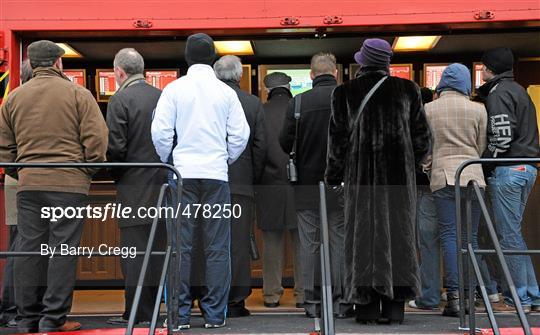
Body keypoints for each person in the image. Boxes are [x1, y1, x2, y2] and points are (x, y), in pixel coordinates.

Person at [0, 40, 108, 332]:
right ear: (59, 63)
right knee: (63, 250)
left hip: (29, 185)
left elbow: (4, 149)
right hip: (68, 185)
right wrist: (85, 172)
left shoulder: (14, 98)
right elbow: (97, 141)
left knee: (28, 249)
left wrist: (22, 170)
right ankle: (53, 318)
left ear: (33, 65)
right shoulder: (78, 93)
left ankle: (26, 318)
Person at [325, 39, 431, 324]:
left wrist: (334, 177)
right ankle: (396, 308)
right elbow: (423, 140)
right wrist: (411, 161)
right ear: (386, 63)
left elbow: (337, 144)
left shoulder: (344, 93)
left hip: (360, 181)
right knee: (400, 236)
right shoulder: (408, 90)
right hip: (399, 180)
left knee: (362, 239)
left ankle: (366, 309)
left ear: (363, 62)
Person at [151, 33, 250, 330]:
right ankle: (215, 314)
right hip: (216, 177)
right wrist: (224, 158)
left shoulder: (173, 90)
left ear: (187, 58)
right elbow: (240, 136)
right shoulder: (226, 93)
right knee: (218, 247)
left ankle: (179, 315)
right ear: (213, 59)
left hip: (183, 176)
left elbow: (160, 133)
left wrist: (171, 160)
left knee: (181, 247)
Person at [280, 52, 351, 319]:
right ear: (335, 73)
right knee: (339, 241)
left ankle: (311, 302)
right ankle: (341, 302)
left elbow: (284, 142)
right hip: (339, 183)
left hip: (306, 185)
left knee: (309, 243)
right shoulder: (346, 102)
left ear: (311, 75)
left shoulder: (298, 103)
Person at [105, 48, 167, 325]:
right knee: (158, 250)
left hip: (133, 185)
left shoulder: (120, 99)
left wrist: (112, 174)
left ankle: (135, 313)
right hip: (164, 184)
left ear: (119, 72)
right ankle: (154, 311)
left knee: (134, 252)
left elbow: (115, 148)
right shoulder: (163, 97)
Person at [424, 63, 490, 316]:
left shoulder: (429, 109)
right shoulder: (479, 109)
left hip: (443, 176)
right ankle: (469, 296)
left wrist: (429, 167)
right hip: (473, 177)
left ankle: (453, 299)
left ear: (443, 82)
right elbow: (481, 145)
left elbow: (425, 146)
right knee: (470, 238)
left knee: (450, 236)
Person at [478, 47, 540, 312]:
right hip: (528, 168)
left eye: (483, 66)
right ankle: (532, 294)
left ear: (490, 68)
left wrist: (485, 164)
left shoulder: (498, 93)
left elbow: (501, 138)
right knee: (514, 234)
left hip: (509, 170)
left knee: (508, 236)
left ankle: (520, 297)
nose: (480, 70)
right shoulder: (520, 91)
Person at [213, 55, 266, 317]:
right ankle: (235, 301)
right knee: (238, 243)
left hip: (208, 182)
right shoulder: (253, 103)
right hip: (240, 185)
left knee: (209, 241)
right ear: (238, 76)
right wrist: (251, 180)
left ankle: (212, 298)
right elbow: (260, 147)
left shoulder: (206, 101)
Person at [256, 72, 304, 309]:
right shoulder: (299, 109)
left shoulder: (260, 112)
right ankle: (303, 293)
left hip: (269, 184)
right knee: (301, 241)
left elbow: (256, 150)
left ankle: (271, 295)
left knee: (272, 242)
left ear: (268, 90)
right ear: (288, 87)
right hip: (299, 184)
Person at [0, 58, 33, 328]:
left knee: (18, 243)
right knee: (27, 244)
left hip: (16, 179)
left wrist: (14, 170)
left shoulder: (12, 99)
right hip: (32, 180)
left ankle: (13, 309)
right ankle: (20, 308)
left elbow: (4, 145)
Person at [408, 87, 441, 312]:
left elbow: (419, 153)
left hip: (423, 186)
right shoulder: (475, 110)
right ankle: (475, 290)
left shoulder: (419, 118)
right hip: (458, 182)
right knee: (463, 239)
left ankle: (428, 294)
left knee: (426, 240)